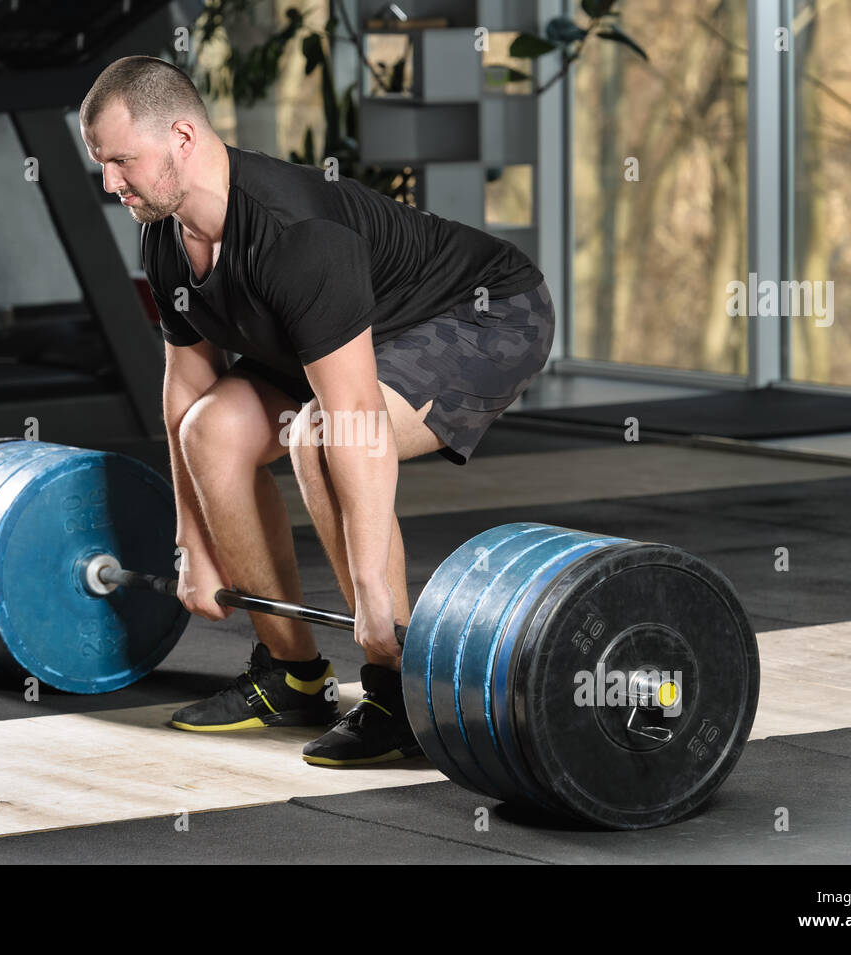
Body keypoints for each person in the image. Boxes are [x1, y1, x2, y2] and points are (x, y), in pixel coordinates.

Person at [79, 55, 554, 765]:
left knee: (318, 435)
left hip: (482, 312)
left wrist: (368, 590)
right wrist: (192, 546)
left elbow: (355, 418)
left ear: (182, 136)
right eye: (103, 163)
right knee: (212, 430)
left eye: (121, 160)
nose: (110, 181)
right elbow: (184, 391)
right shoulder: (165, 232)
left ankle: (398, 692)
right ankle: (292, 675)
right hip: (328, 343)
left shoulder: (295, 233)